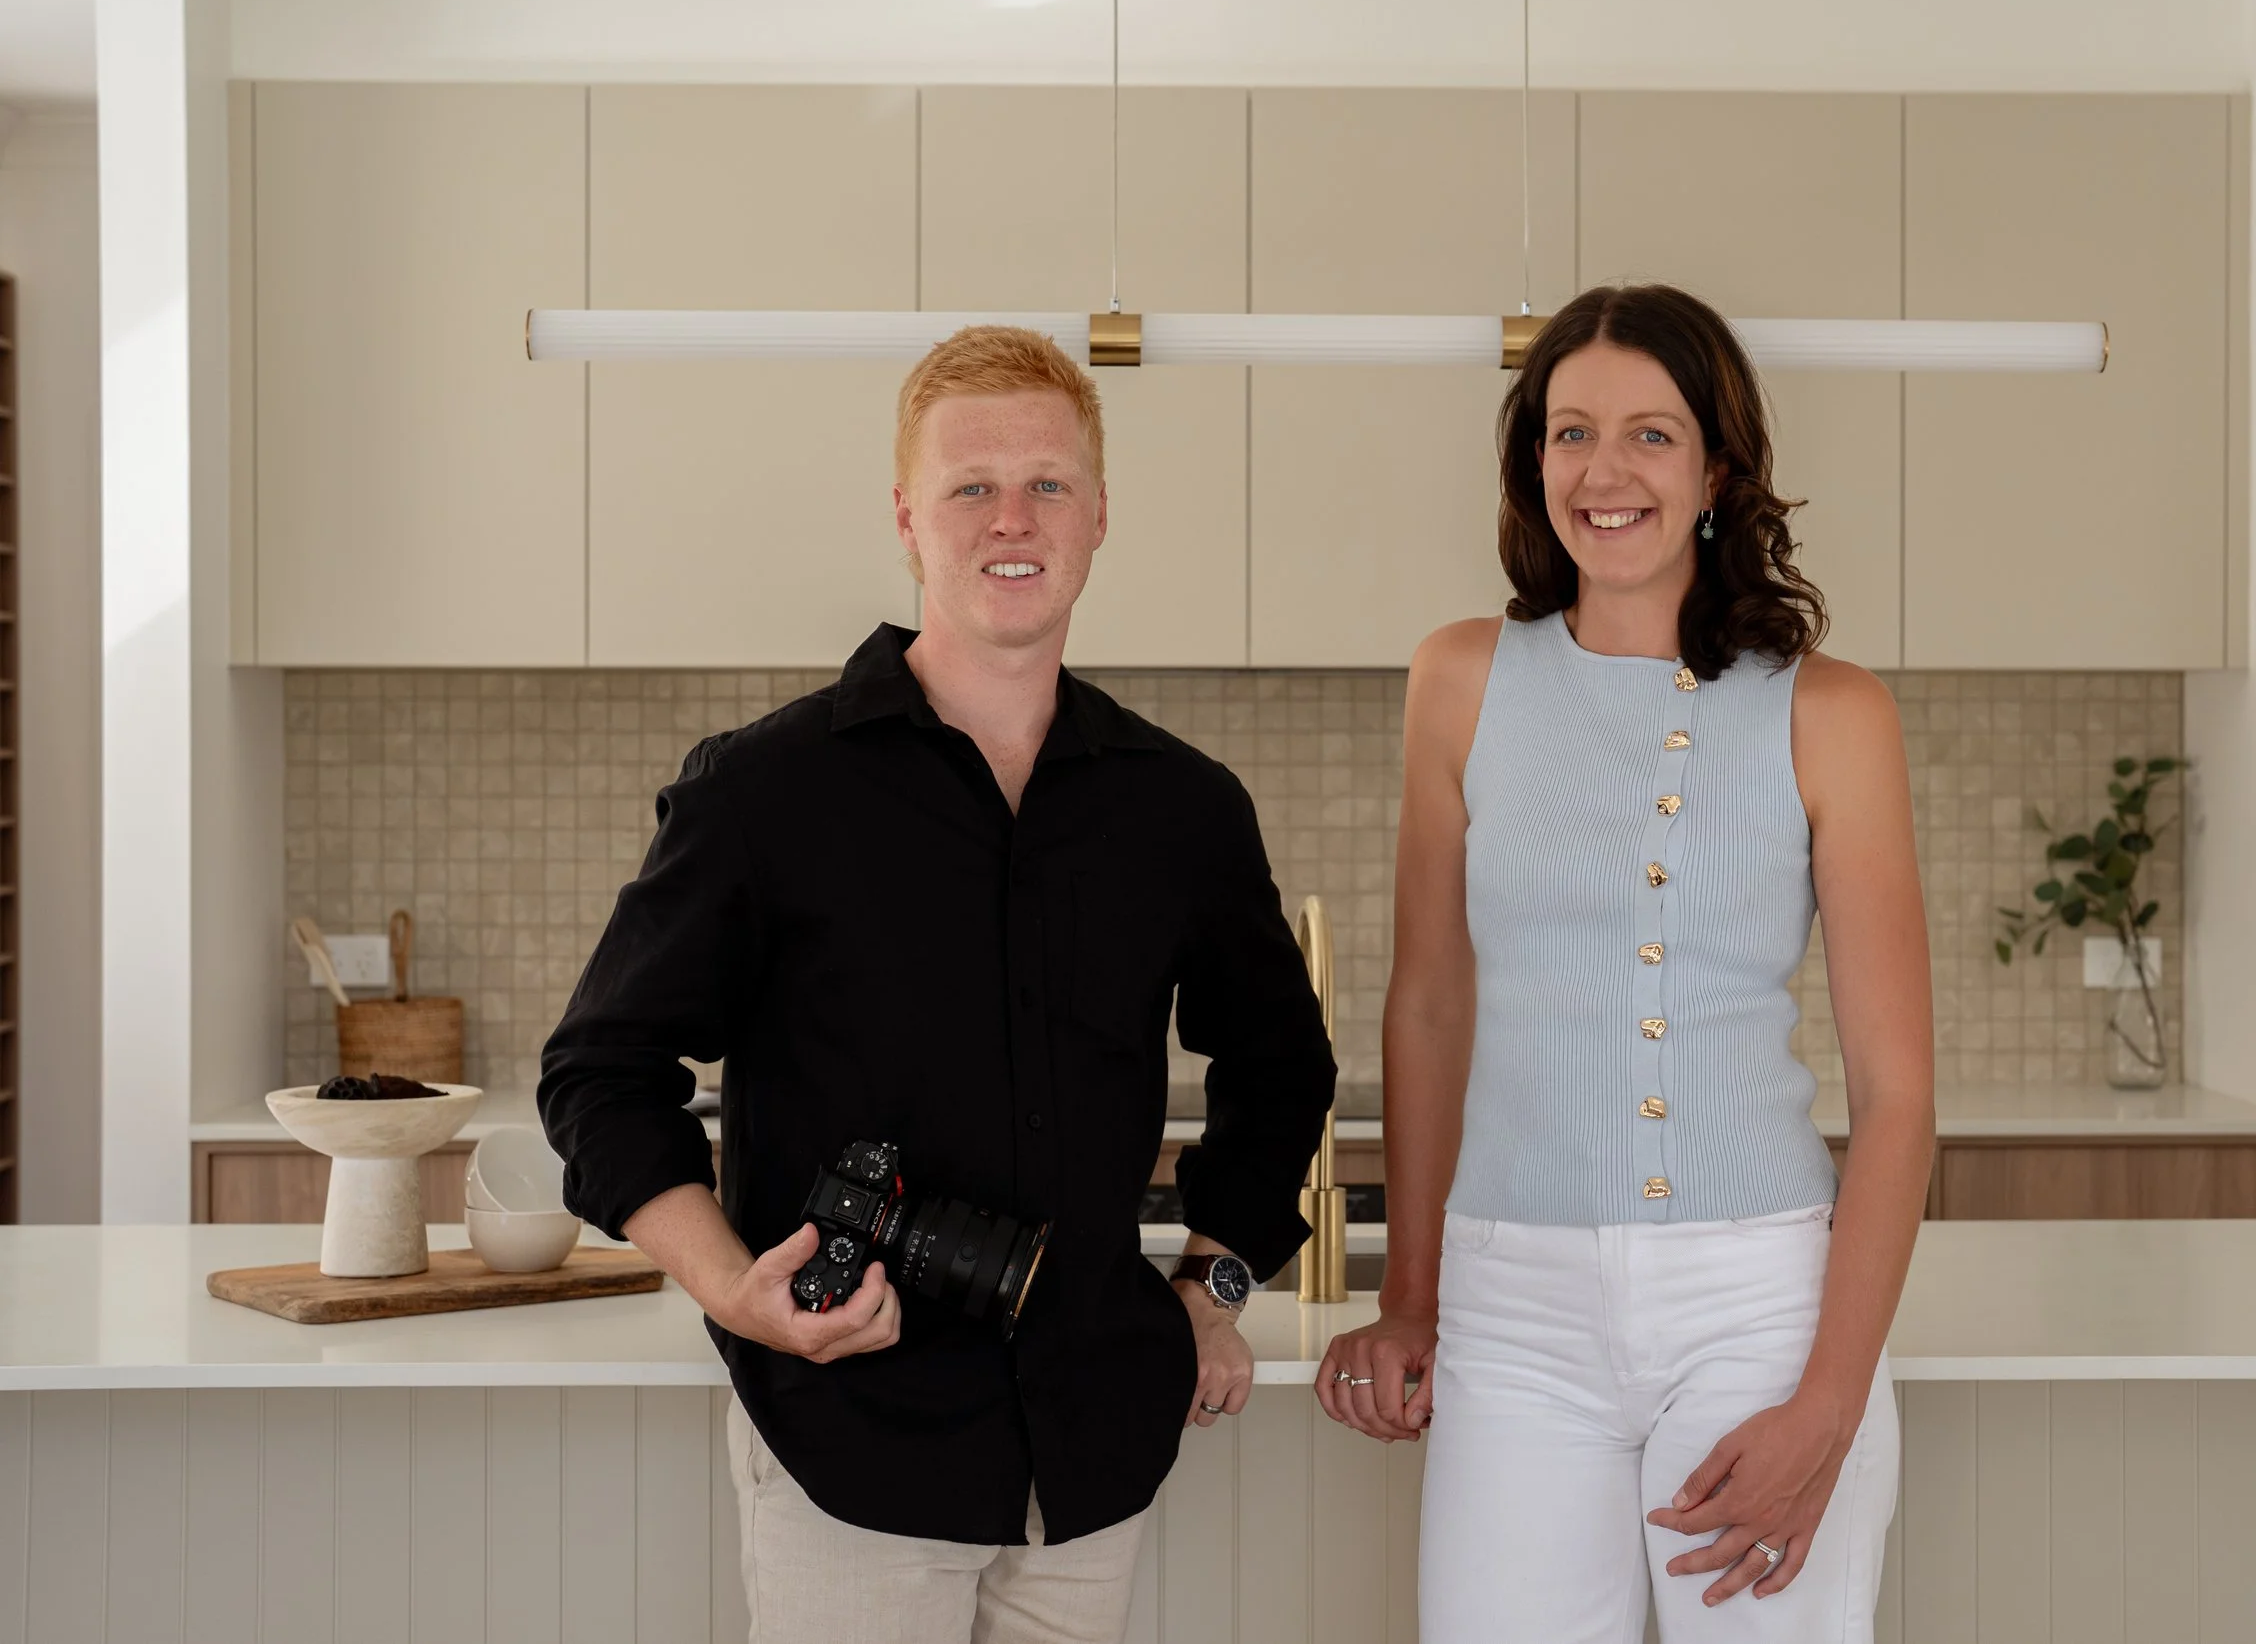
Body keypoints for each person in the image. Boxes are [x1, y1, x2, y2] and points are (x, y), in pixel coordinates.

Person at [541, 325, 1335, 1644]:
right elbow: (598, 1073)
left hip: (1093, 1452)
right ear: (907, 514)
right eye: (971, 486)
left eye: (1048, 484)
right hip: (850, 1446)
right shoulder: (765, 791)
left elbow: (1281, 1065)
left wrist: (1216, 1285)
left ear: (1096, 518)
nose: (1011, 519)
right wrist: (735, 1286)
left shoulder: (1182, 808)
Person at [1315, 284, 1933, 1642]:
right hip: (1510, 1307)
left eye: (1651, 435)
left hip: (1759, 1305)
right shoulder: (1460, 679)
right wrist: (1406, 1295)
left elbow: (1897, 1096)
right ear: (1532, 462)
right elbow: (1428, 1007)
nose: (1605, 470)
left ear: (1717, 467)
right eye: (1571, 431)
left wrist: (1828, 1401)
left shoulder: (1832, 711)